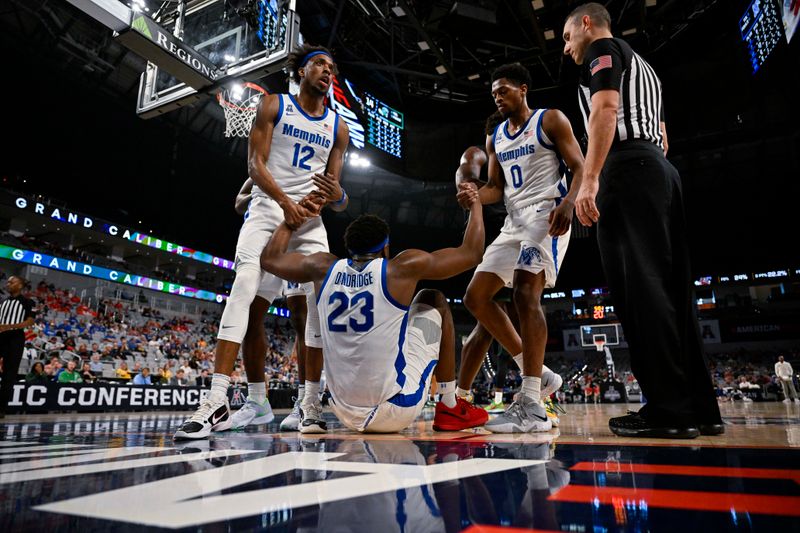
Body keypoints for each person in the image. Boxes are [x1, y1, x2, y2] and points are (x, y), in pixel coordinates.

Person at [562, 3, 723, 438]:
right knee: (673, 291)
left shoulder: (603, 50)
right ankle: (701, 409)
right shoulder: (645, 67)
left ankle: (669, 411)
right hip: (659, 171)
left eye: (567, 35)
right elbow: (665, 138)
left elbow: (606, 110)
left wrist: (591, 179)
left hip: (628, 170)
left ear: (587, 24)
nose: (566, 46)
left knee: (641, 294)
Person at [175, 43, 350, 440]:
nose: (327, 70)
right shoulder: (273, 105)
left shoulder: (338, 127)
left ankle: (309, 404)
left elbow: (334, 187)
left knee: (311, 308)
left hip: (308, 219)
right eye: (319, 64)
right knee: (246, 294)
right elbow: (254, 165)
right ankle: (220, 398)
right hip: (270, 208)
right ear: (301, 71)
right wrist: (286, 203)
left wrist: (326, 199)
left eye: (331, 66)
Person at [260, 183, 489, 433]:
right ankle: (449, 405)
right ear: (386, 247)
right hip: (393, 409)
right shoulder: (400, 268)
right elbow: (472, 252)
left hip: (341, 408)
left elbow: (270, 259)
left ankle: (312, 403)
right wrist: (475, 203)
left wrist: (293, 220)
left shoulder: (322, 267)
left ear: (349, 246)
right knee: (432, 298)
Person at [459, 62, 585, 433]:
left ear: (523, 89)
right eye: (494, 93)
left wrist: (569, 203)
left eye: (503, 90)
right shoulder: (495, 136)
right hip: (513, 220)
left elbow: (579, 166)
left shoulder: (551, 120)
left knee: (526, 294)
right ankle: (541, 375)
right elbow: (496, 188)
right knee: (475, 297)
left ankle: (531, 403)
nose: (498, 97)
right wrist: (474, 195)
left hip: (546, 214)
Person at [233, 177, 314, 432]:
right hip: (264, 240)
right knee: (250, 315)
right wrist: (269, 197)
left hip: (298, 240)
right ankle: (257, 399)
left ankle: (305, 399)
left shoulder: (308, 166)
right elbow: (238, 203)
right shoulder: (258, 172)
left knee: (302, 319)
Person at [0, 275, 36, 417]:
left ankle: (1, 408)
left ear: (20, 285)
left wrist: (8, 326)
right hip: (1, 336)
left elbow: (30, 322)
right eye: (7, 282)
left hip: (15, 338)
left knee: (9, 373)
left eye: (11, 282)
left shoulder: (28, 302)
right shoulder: (3, 301)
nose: (8, 284)